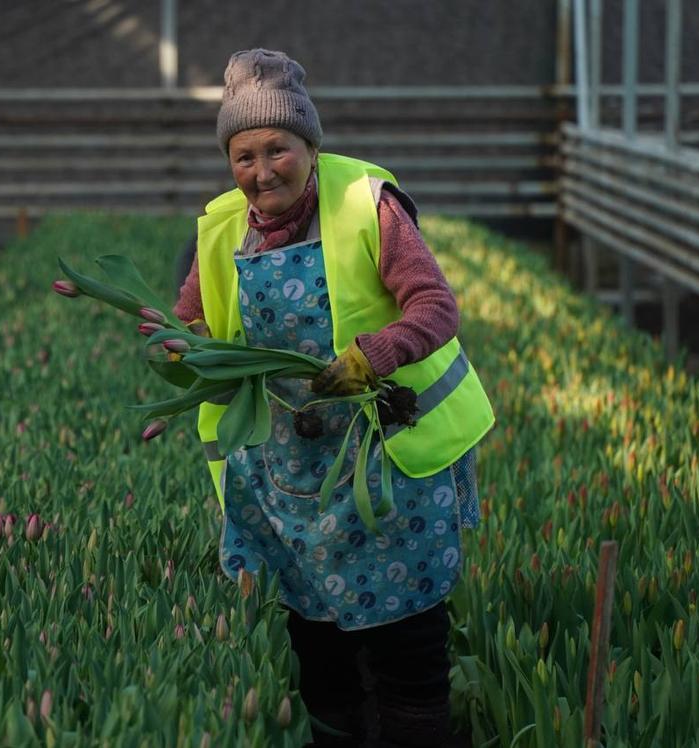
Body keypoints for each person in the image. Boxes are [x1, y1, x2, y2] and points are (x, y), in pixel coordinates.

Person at [173, 49, 494, 747]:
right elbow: (191, 324)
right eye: (243, 155)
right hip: (289, 480)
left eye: (277, 149)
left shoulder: (364, 204)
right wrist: (178, 349)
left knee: (407, 645)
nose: (261, 172)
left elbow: (435, 305)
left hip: (388, 464)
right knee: (318, 650)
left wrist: (374, 354)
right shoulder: (222, 229)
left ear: (309, 146)